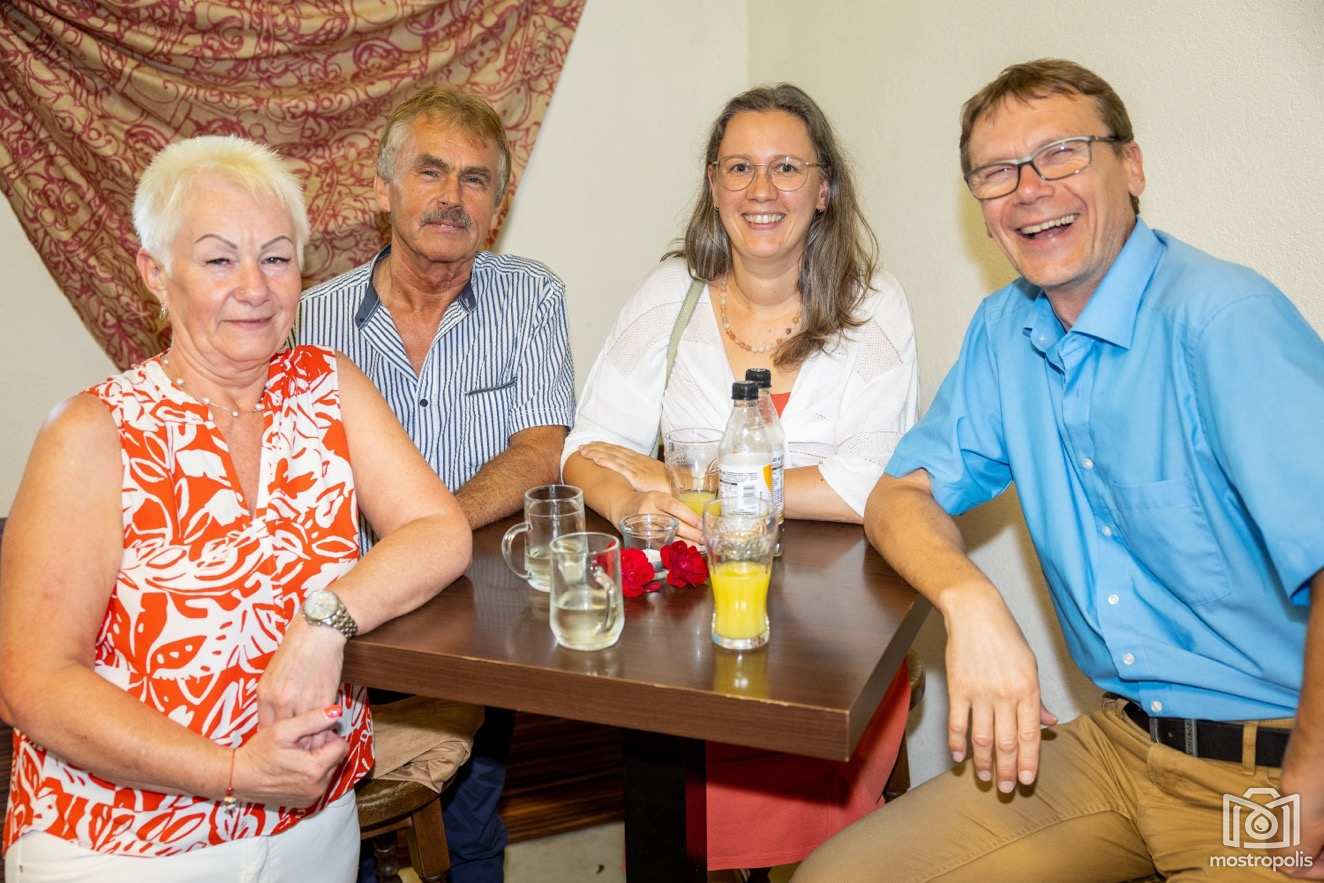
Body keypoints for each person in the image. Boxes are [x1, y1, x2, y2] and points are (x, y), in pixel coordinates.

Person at [795, 59, 1324, 882]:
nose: (1030, 190)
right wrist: (970, 601)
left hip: (1274, 764)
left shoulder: (1224, 321)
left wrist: (1312, 780)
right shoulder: (1005, 330)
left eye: (1062, 154)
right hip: (1120, 744)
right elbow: (899, 493)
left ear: (1131, 165)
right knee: (838, 877)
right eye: (997, 172)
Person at [0, 135, 472, 882]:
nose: (255, 287)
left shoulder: (327, 386)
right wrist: (233, 773)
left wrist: (325, 619)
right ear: (155, 274)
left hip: (314, 826)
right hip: (121, 844)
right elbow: (34, 682)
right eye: (219, 260)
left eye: (276, 258)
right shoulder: (92, 432)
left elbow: (439, 531)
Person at [562, 84, 918, 874]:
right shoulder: (670, 296)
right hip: (689, 630)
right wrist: (635, 499)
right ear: (713, 184)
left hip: (838, 638)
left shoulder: (873, 307)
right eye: (739, 167)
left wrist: (687, 478)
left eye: (787, 167)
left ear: (824, 189)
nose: (761, 189)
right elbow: (586, 449)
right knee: (672, 823)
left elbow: (872, 486)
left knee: (823, 856)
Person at [297, 86, 575, 882]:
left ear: (497, 206)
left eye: (475, 178)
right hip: (347, 629)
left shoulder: (532, 298)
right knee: (339, 832)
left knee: (469, 824)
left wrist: (429, 534)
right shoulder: (310, 321)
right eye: (430, 170)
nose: (452, 196)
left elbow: (542, 451)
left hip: (485, 628)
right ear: (384, 187)